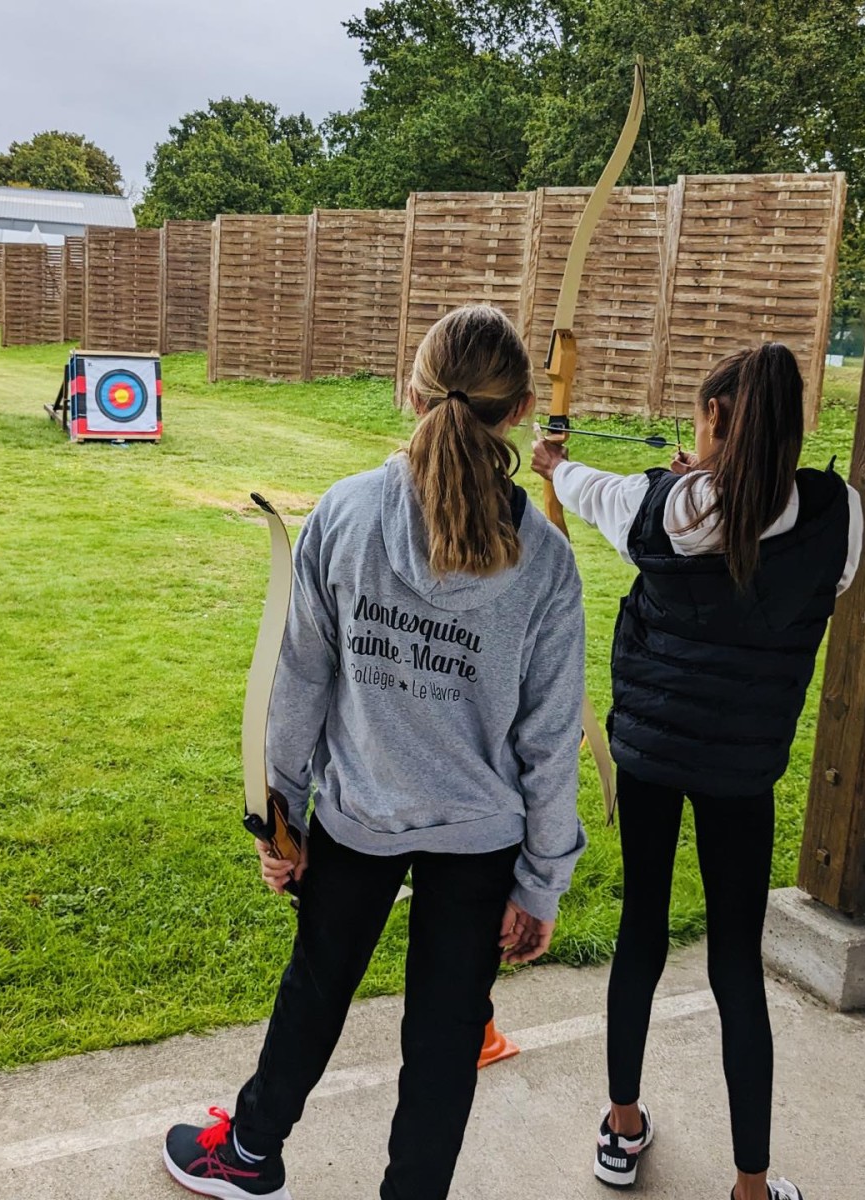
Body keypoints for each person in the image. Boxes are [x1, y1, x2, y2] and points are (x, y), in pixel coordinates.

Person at [164, 304, 588, 1200]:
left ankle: (248, 1153)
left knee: (317, 988)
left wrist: (280, 818)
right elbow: (548, 743)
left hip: (362, 816)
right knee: (445, 1037)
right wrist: (540, 881)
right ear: (516, 414)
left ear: (413, 390)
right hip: (478, 842)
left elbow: (298, 688)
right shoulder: (543, 557)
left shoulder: (349, 514)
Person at [532, 342, 863, 1200]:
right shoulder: (839, 515)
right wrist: (713, 482)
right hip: (742, 773)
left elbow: (577, 483)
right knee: (734, 965)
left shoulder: (660, 507)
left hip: (650, 755)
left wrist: (555, 461)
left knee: (641, 930)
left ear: (715, 421)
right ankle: (751, 1187)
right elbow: (784, 548)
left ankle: (623, 1127)